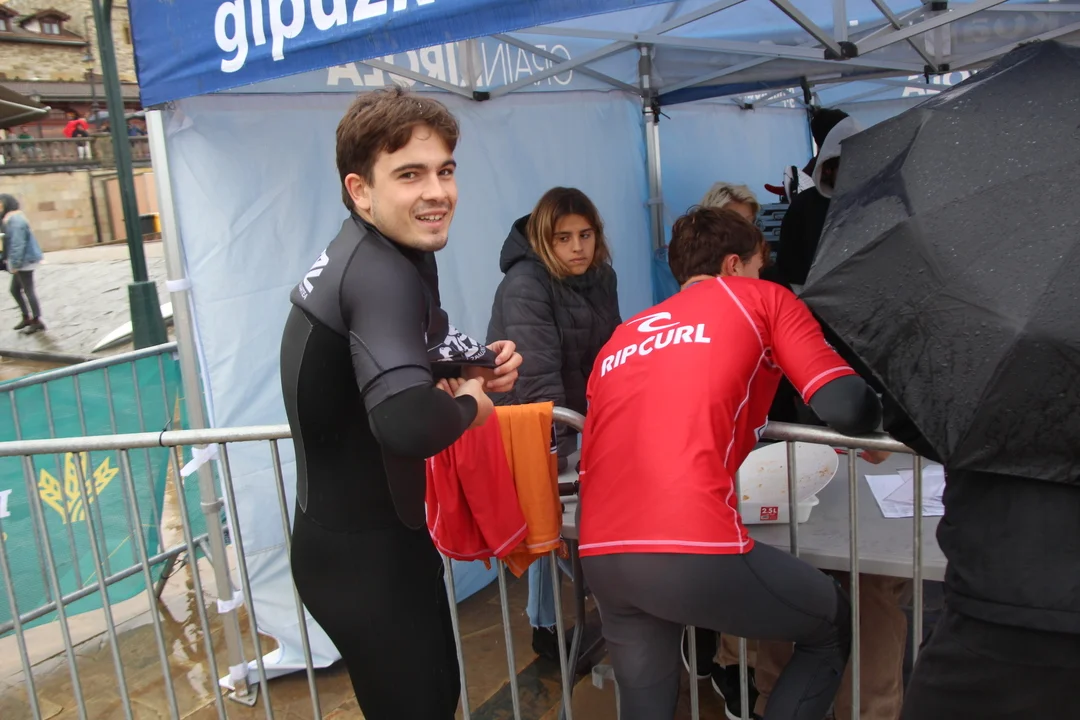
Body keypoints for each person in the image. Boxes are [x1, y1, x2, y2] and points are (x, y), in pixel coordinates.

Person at [578, 206, 882, 720]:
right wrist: (877, 425)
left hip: (602, 550)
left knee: (646, 706)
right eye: (760, 267)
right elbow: (847, 405)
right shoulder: (760, 299)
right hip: (690, 545)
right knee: (829, 624)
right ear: (735, 265)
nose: (763, 277)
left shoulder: (625, 334)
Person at [279, 87, 522, 720]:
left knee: (438, 697)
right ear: (360, 189)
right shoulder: (379, 272)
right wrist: (473, 406)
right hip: (362, 558)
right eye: (410, 175)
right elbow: (407, 420)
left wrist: (472, 365)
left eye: (445, 171)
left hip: (374, 540)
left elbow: (400, 347)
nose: (437, 192)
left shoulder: (384, 252)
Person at [486, 186, 621, 660]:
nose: (577, 247)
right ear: (545, 239)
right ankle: (547, 627)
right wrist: (563, 454)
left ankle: (566, 618)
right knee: (548, 521)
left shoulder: (601, 275)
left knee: (555, 525)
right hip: (534, 423)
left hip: (576, 421)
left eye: (585, 234)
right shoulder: (525, 284)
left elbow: (611, 355)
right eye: (564, 238)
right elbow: (538, 379)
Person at [775, 110, 857, 289]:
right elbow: (790, 272)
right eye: (848, 163)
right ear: (828, 168)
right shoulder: (804, 207)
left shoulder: (877, 198)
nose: (857, 170)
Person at [1, 194, 45, 334]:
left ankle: (37, 321)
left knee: (28, 290)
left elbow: (18, 244)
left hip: (24, 261)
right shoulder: (9, 219)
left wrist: (15, 263)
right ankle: (27, 317)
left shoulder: (15, 220)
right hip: (21, 261)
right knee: (14, 290)